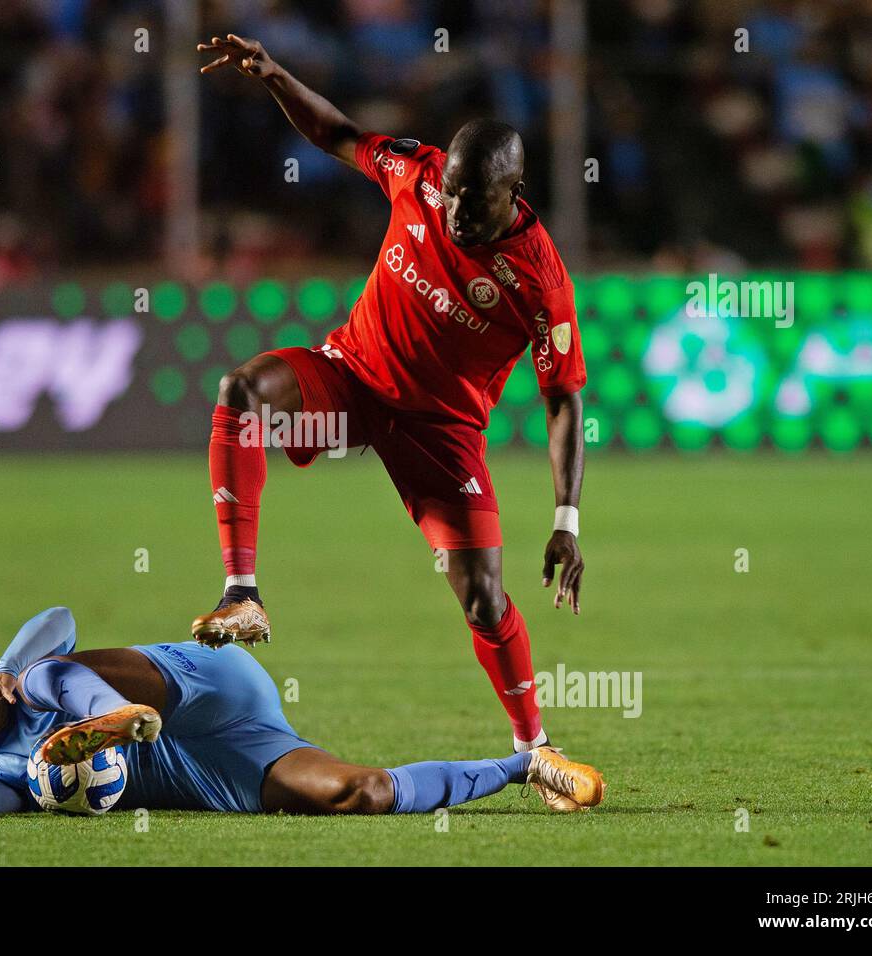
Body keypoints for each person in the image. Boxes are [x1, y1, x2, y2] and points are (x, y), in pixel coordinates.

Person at [190, 35, 588, 756]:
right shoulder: (421, 176)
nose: (457, 209)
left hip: (440, 429)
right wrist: (277, 76)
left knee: (483, 598)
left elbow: (563, 399)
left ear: (515, 194)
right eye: (455, 191)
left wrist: (567, 518)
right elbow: (338, 134)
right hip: (351, 379)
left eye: (477, 199)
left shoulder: (539, 281)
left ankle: (536, 750)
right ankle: (242, 593)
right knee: (242, 391)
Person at [0, 607, 605, 816]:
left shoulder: (19, 679)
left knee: (49, 673)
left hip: (197, 685)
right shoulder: (8, 769)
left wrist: (8, 667)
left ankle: (117, 718)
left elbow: (58, 617)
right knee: (363, 794)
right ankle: (526, 766)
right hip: (215, 765)